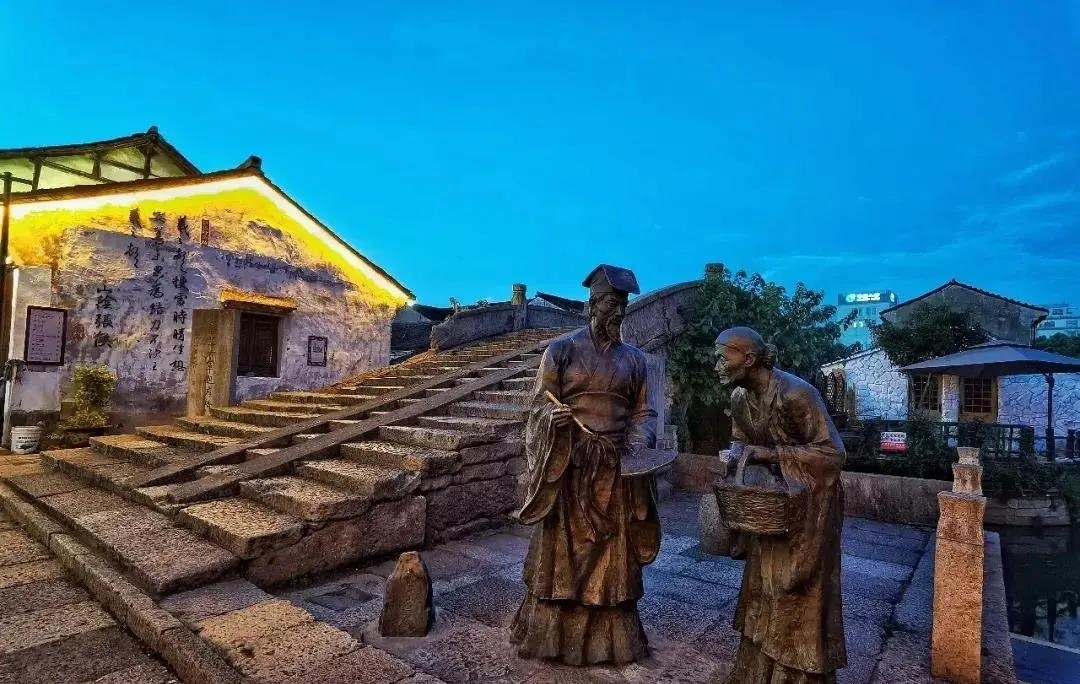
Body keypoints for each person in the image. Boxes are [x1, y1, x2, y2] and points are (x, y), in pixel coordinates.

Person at [510, 264, 659, 666]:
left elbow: (645, 413)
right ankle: (553, 633)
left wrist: (637, 441)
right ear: (591, 305)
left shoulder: (636, 361)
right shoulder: (560, 350)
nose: (619, 313)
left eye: (623, 305)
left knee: (612, 555)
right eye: (612, 303)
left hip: (615, 465)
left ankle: (609, 637)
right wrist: (550, 420)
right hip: (571, 465)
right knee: (562, 554)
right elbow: (541, 402)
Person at [714, 326, 847, 684]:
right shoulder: (741, 398)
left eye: (722, 358)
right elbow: (742, 441)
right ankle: (757, 673)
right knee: (764, 585)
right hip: (770, 505)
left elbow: (833, 454)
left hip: (810, 505)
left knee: (797, 586)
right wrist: (735, 458)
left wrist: (772, 454)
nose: (716, 366)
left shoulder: (797, 394)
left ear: (750, 359)